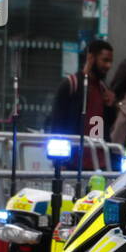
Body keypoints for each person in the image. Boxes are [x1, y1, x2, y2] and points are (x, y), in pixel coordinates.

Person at [48, 39, 115, 169]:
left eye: (110, 61)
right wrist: (59, 161)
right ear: (91, 58)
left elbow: (107, 126)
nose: (108, 66)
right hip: (73, 163)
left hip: (98, 164)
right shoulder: (71, 84)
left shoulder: (104, 89)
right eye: (105, 60)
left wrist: (110, 106)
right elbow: (57, 124)